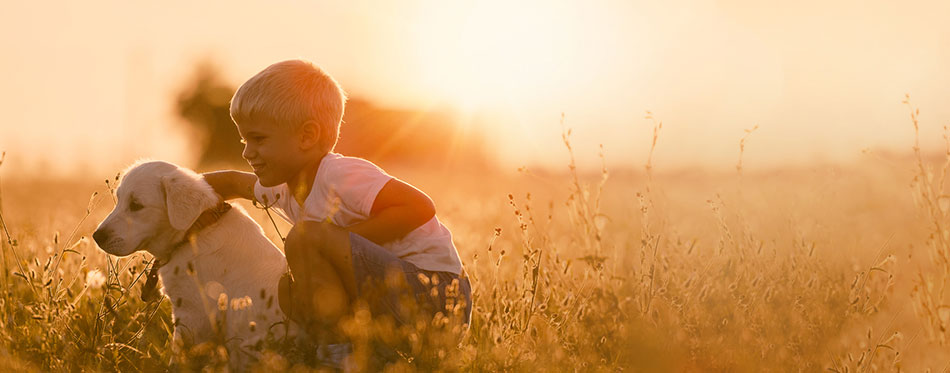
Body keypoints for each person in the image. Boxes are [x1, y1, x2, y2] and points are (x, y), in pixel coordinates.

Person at [202, 59, 471, 362]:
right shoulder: (284, 186)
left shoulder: (340, 175)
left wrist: (338, 240)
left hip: (436, 296)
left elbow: (419, 206)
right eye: (243, 139)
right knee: (288, 290)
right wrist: (173, 192)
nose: (246, 152)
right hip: (392, 302)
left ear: (307, 136)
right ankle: (353, 354)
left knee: (306, 240)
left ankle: (336, 359)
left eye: (258, 139)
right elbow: (233, 183)